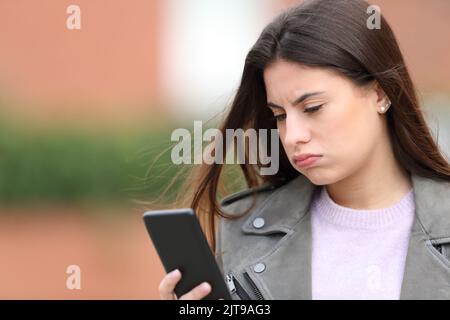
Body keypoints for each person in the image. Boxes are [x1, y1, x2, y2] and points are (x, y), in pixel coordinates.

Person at [158, 0, 450, 300]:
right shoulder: (242, 233)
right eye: (280, 115)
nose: (292, 136)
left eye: (313, 108)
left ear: (379, 93)